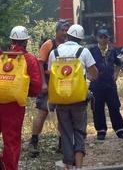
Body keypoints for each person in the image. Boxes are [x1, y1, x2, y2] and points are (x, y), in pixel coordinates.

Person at [48, 24, 98, 170]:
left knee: (66, 133)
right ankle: (79, 167)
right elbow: (94, 73)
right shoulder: (84, 51)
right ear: (80, 39)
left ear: (67, 36)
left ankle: (69, 167)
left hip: (60, 99)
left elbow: (52, 74)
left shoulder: (55, 52)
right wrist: (86, 78)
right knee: (79, 132)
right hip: (79, 99)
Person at [0, 26, 42, 169]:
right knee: (11, 140)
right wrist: (21, 91)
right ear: (26, 41)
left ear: (11, 39)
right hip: (14, 106)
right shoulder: (29, 59)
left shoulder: (2, 56)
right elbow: (36, 86)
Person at [29, 19, 69, 156]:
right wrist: (43, 83)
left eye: (66, 30)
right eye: (62, 30)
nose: (64, 33)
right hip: (48, 80)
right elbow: (40, 64)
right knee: (42, 112)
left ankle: (62, 143)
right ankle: (33, 142)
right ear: (56, 31)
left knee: (62, 113)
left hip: (63, 82)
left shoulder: (68, 45)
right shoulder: (48, 44)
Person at [89, 28, 123, 140]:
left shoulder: (112, 50)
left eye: (105, 37)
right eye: (101, 37)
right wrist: (88, 76)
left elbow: (119, 63)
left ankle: (120, 130)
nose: (103, 39)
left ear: (108, 38)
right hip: (96, 85)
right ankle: (101, 131)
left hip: (110, 84)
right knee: (97, 108)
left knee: (114, 106)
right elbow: (83, 64)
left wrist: (116, 74)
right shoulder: (92, 51)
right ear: (97, 38)